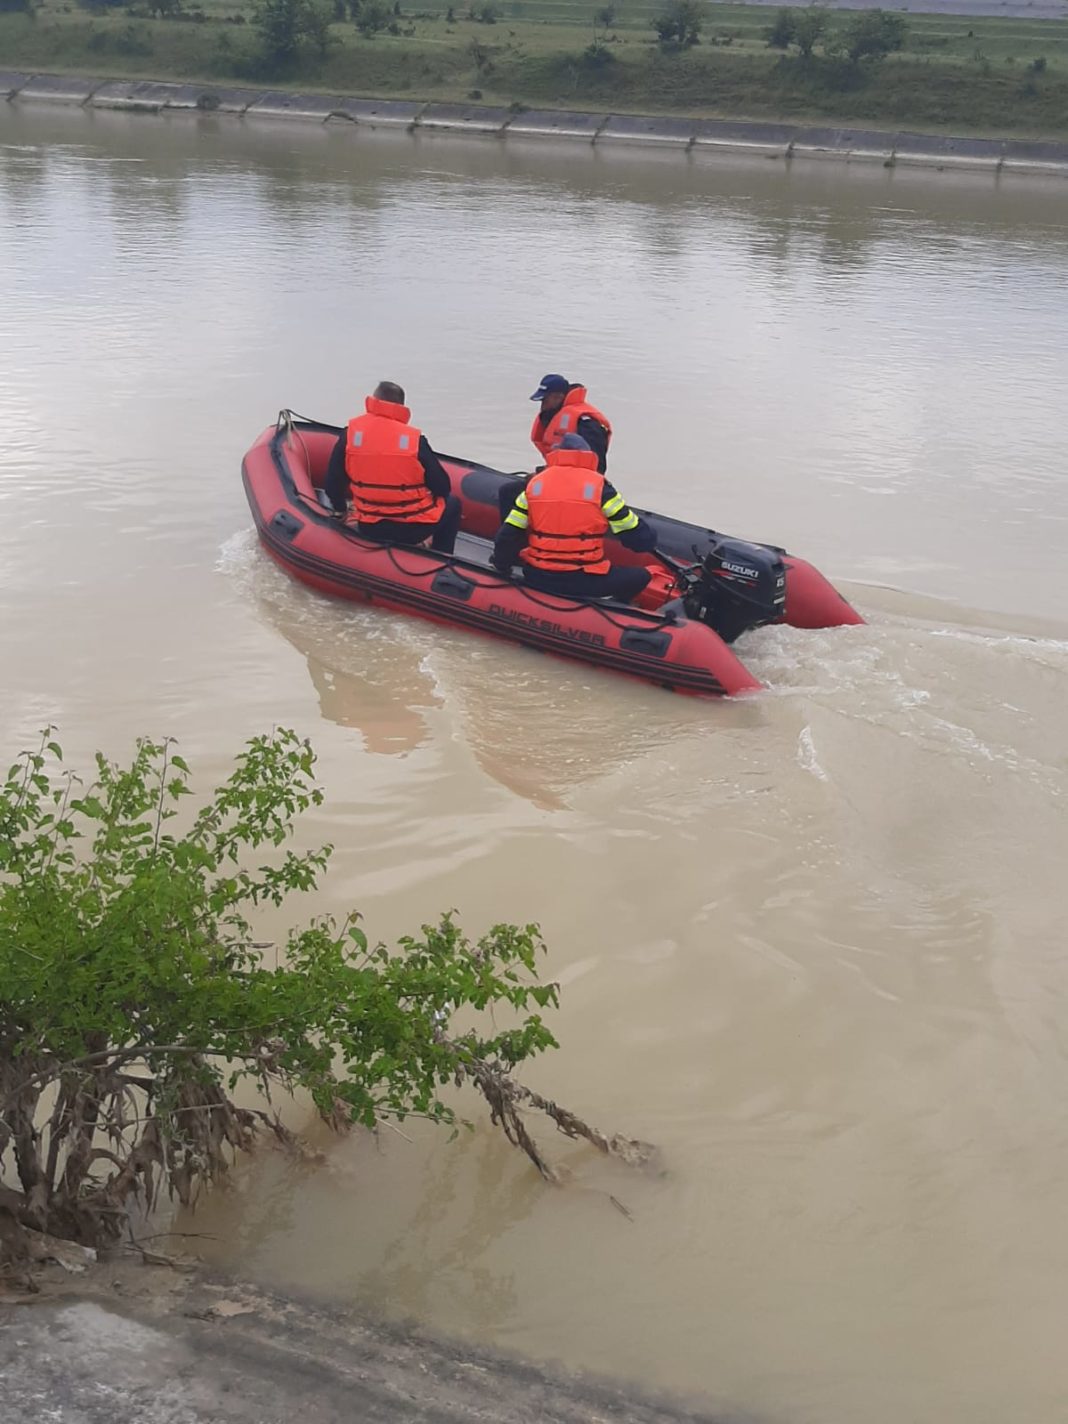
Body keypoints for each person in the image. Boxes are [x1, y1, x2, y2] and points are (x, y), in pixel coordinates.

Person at [491, 435, 656, 604]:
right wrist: (651, 537)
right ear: (589, 456)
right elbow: (639, 539)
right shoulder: (601, 489)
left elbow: (507, 535)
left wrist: (502, 566)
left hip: (537, 575)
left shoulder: (535, 486)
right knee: (641, 576)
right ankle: (612, 611)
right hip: (583, 581)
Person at [324, 381, 462, 555]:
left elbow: (332, 483)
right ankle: (441, 560)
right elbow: (442, 487)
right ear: (401, 407)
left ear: (374, 401)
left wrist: (341, 509)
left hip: (370, 527)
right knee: (453, 504)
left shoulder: (350, 435)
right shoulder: (414, 441)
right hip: (413, 529)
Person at [498, 374, 614, 524]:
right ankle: (519, 542)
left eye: (544, 400)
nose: (542, 406)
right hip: (558, 478)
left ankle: (513, 543)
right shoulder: (555, 416)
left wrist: (546, 477)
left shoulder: (585, 423)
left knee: (510, 492)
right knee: (510, 491)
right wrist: (543, 473)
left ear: (558, 397)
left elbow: (596, 467)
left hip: (578, 487)